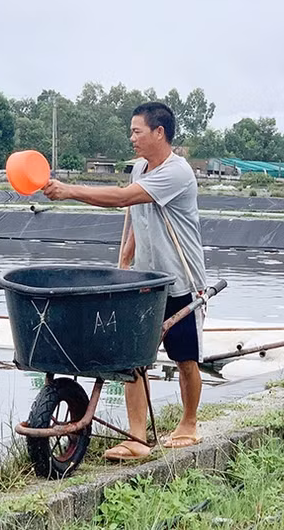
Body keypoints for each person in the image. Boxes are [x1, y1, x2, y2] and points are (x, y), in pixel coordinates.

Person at [42, 102, 207, 460]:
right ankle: (136, 438)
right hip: (146, 281)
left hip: (181, 279)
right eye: (131, 131)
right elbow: (139, 216)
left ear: (158, 133)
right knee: (135, 359)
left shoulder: (177, 173)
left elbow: (122, 199)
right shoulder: (139, 168)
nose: (131, 138)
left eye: (137, 131)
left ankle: (189, 423)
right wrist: (126, 259)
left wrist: (69, 191)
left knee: (186, 359)